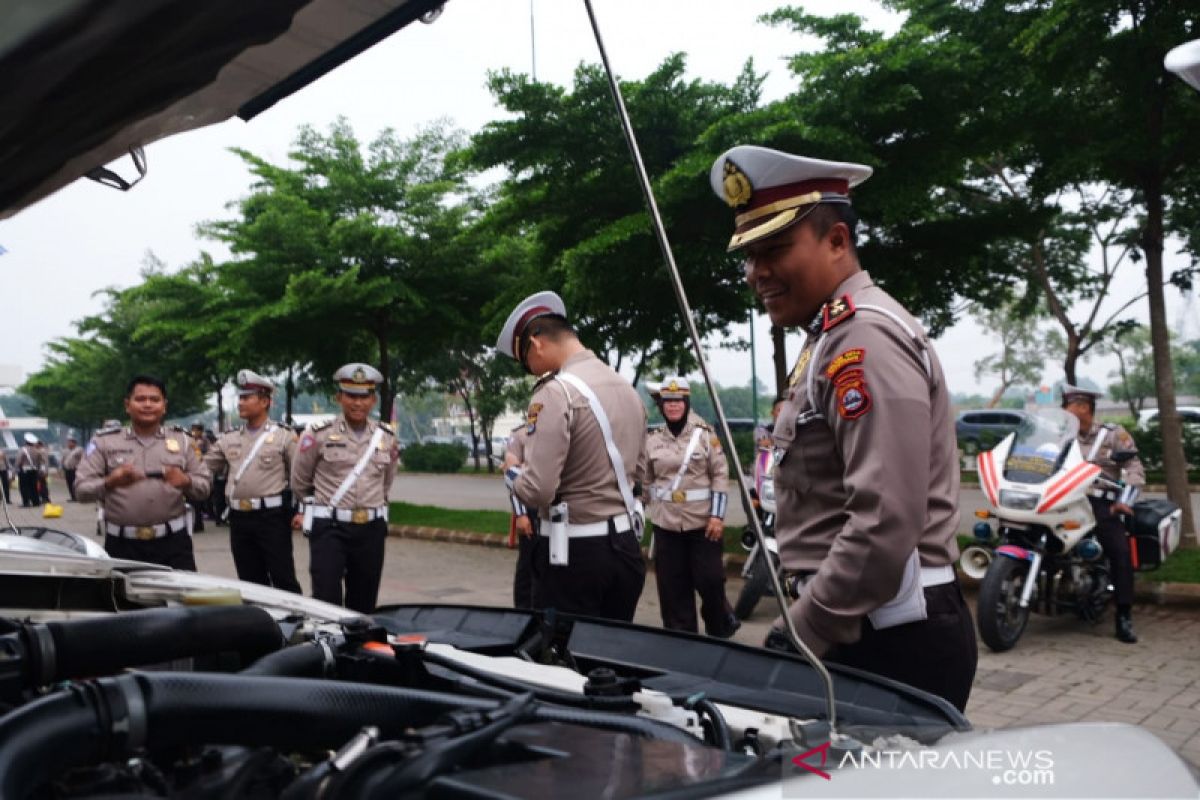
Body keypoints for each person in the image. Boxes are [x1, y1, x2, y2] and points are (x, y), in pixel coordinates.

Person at [710, 145, 976, 712]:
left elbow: (883, 522)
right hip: (863, 627)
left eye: (775, 249)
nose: (757, 272)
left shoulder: (862, 341)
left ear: (837, 241)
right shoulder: (830, 335)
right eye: (749, 255)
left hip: (885, 639)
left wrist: (803, 628)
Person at [497, 291, 647, 622]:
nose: (530, 370)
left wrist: (510, 471)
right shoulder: (626, 389)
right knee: (612, 658)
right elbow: (640, 472)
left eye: (525, 362)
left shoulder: (556, 392)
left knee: (565, 664)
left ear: (536, 343)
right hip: (625, 548)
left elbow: (537, 490)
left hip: (574, 557)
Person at [290, 363, 398, 613]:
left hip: (370, 529)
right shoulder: (318, 435)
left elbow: (386, 480)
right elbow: (300, 481)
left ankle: (359, 650)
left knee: (364, 601)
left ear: (373, 400)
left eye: (364, 397)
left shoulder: (386, 437)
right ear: (339, 397)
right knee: (326, 598)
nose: (357, 403)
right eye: (351, 395)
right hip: (330, 528)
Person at [74, 375, 212, 570]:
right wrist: (110, 482)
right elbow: (80, 490)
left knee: (180, 599)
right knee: (123, 600)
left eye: (154, 400)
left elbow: (205, 487)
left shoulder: (183, 441)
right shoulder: (103, 442)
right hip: (122, 545)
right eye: (140, 399)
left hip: (173, 544)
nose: (147, 405)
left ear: (164, 406)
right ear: (127, 405)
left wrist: (186, 481)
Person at [639, 377, 737, 637]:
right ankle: (682, 639)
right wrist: (640, 509)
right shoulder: (652, 439)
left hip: (702, 523)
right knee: (672, 588)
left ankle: (718, 624)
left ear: (686, 402)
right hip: (666, 524)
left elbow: (719, 474)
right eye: (667, 402)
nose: (672, 406)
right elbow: (646, 481)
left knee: (711, 579)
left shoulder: (705, 435)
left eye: (677, 401)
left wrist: (717, 516)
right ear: (661, 405)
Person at [1060, 384, 1144, 644]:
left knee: (1119, 552)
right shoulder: (1062, 436)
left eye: (1069, 406)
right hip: (1065, 502)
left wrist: (1124, 500)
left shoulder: (1112, 435)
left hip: (1100, 504)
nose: (1065, 411)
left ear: (1084, 408)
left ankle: (1123, 615)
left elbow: (1135, 468)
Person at [205, 370, 301, 593]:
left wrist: (301, 510)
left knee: (282, 576)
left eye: (247, 398)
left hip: (272, 517)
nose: (241, 402)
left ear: (265, 401)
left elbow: (299, 476)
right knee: (249, 579)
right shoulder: (229, 438)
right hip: (239, 518)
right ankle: (261, 623)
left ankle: (294, 620)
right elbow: (205, 467)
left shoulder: (284, 436)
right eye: (240, 397)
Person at [504, 422, 538, 608]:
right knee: (527, 562)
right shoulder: (521, 434)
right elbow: (511, 475)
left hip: (556, 508)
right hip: (530, 508)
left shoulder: (560, 430)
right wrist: (521, 514)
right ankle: (523, 610)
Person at [188, 423, 209, 532]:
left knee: (197, 502)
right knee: (192, 502)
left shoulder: (204, 441)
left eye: (195, 430)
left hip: (200, 472)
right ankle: (195, 523)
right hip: (190, 472)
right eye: (193, 430)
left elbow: (202, 455)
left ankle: (198, 524)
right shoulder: (190, 440)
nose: (194, 432)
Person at [16, 433, 40, 507]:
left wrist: (15, 470)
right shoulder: (37, 451)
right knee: (33, 486)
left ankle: (26, 502)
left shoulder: (22, 450)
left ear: (25, 441)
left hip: (24, 471)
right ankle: (36, 502)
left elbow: (18, 461)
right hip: (34, 470)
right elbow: (39, 462)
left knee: (24, 487)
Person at [61, 435, 83, 501]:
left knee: (75, 484)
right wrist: (62, 467)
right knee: (69, 483)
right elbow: (63, 459)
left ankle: (77, 496)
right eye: (68, 442)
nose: (68, 444)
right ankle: (73, 497)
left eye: (70, 442)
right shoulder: (65, 451)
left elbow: (83, 459)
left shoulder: (79, 450)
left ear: (74, 443)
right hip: (67, 469)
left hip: (75, 469)